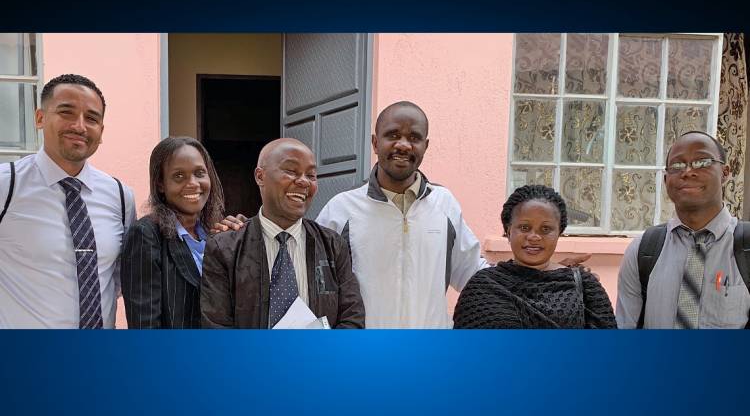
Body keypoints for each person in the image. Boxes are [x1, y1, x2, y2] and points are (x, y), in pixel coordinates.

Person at [315, 101, 589, 328]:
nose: (403, 145)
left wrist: (544, 273)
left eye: (414, 138)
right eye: (393, 135)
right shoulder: (341, 210)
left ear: (426, 146)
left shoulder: (443, 204)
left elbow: (474, 274)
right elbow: (316, 287)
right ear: (376, 143)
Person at [0, 74, 136, 328]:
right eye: (67, 113)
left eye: (92, 118)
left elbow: (115, 279)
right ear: (40, 118)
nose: (80, 126)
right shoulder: (6, 185)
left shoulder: (120, 196)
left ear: (101, 131)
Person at [200, 138, 365, 328]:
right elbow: (216, 326)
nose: (303, 181)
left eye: (311, 175)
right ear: (260, 177)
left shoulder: (333, 245)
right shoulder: (225, 248)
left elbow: (353, 318)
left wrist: (324, 354)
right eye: (291, 171)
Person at [617, 131, 750, 329]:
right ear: (665, 180)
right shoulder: (643, 251)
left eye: (702, 162)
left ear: (725, 173)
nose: (687, 171)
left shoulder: (745, 247)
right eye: (677, 165)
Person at [453, 185, 616, 329]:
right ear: (509, 231)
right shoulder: (482, 286)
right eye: (524, 227)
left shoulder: (584, 286)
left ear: (559, 233)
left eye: (545, 229)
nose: (534, 236)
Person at [120, 136, 225, 328]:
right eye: (179, 176)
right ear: (161, 184)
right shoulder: (146, 235)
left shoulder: (216, 234)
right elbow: (145, 327)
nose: (193, 183)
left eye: (200, 173)